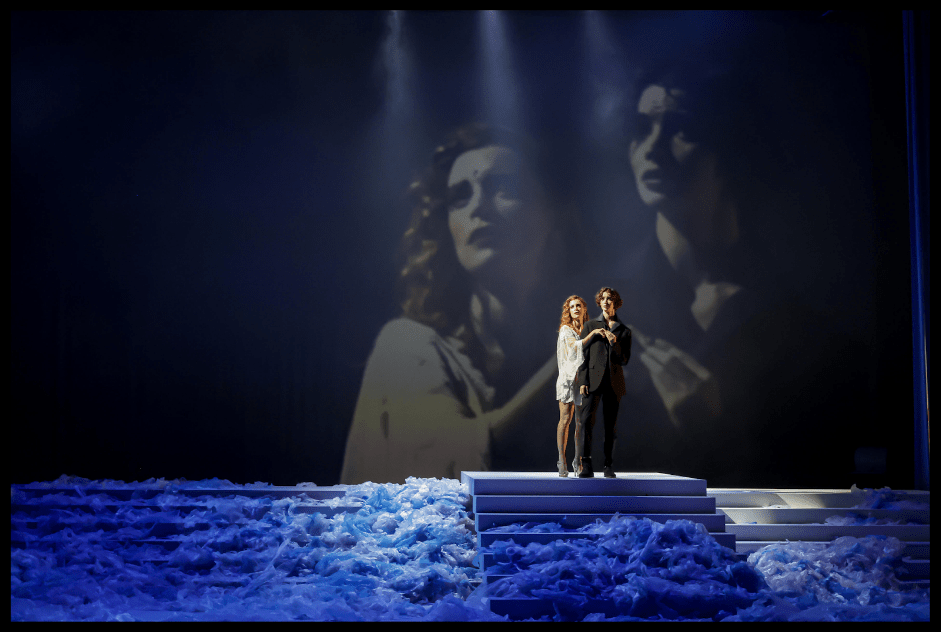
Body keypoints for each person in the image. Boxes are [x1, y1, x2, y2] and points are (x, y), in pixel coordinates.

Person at [608, 54, 866, 487]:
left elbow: (821, 482)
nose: (652, 147)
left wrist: (716, 433)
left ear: (729, 146)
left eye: (683, 128)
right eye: (642, 128)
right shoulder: (603, 305)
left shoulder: (805, 324)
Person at [341, 123, 577, 484]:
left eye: (503, 189)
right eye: (459, 197)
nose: (478, 207)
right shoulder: (405, 347)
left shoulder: (553, 340)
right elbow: (457, 471)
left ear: (552, 211)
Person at [573, 287, 632, 478]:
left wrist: (614, 342)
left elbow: (624, 359)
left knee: (610, 426)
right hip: (593, 381)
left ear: (616, 302)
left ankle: (608, 465)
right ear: (600, 302)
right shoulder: (590, 326)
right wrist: (582, 380)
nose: (606, 301)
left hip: (614, 384)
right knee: (585, 422)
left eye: (610, 298)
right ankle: (586, 464)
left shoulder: (624, 331)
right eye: (603, 298)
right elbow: (581, 355)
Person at [554, 294, 607, 477]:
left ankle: (579, 460)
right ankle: (562, 460)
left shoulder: (586, 328)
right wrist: (593, 334)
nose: (575, 309)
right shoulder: (566, 330)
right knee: (565, 419)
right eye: (572, 306)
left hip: (583, 381)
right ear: (568, 311)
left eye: (578, 305)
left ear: (584, 308)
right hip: (568, 380)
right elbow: (575, 347)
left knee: (580, 422)